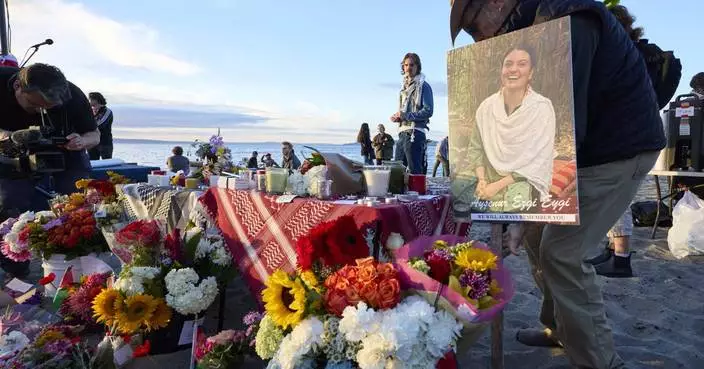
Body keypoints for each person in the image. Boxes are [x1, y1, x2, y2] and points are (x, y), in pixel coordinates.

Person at [450, 1, 665, 368]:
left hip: (619, 150)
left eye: (474, 25)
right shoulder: (538, 27)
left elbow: (564, 137)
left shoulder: (564, 19)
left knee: (562, 252)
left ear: (497, 3)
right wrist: (521, 218)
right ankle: (559, 328)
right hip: (591, 148)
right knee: (537, 239)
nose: (479, 38)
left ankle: (599, 361)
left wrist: (524, 215)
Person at [0, 63, 99, 277]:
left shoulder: (73, 95)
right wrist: (8, 136)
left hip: (65, 149)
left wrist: (81, 141)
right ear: (18, 86)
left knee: (79, 199)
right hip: (14, 150)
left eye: (48, 108)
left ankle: (82, 258)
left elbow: (95, 135)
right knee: (10, 203)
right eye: (35, 105)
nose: (41, 112)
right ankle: (16, 264)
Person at [469, 45, 555, 212]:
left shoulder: (541, 108)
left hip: (524, 180)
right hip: (488, 179)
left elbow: (537, 160)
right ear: (502, 71)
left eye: (522, 64)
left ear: (531, 73)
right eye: (508, 64)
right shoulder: (486, 107)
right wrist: (481, 180)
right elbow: (475, 148)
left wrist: (496, 186)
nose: (513, 69)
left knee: (516, 210)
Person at [391, 53, 433, 175]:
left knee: (415, 172)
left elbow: (428, 110)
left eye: (412, 65)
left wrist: (406, 116)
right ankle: (401, 194)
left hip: (415, 133)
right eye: (406, 65)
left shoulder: (424, 86)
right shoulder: (403, 89)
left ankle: (418, 193)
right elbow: (405, 111)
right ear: (403, 67)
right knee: (397, 172)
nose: (408, 67)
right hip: (402, 133)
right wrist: (398, 117)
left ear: (417, 67)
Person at [87, 92, 113, 160]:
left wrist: (87, 126)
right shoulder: (90, 111)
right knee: (92, 164)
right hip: (92, 142)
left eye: (91, 99)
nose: (89, 101)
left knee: (107, 164)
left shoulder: (107, 111)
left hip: (104, 143)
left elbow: (101, 124)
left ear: (97, 99)